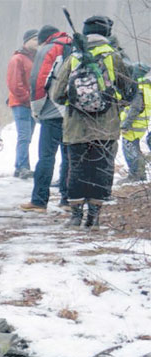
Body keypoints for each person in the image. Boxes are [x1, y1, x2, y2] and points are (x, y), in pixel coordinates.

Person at [50, 15, 132, 230]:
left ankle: (76, 216)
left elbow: (57, 95)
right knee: (101, 171)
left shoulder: (73, 58)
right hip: (106, 128)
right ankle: (94, 218)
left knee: (77, 171)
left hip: (76, 129)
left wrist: (75, 101)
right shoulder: (113, 57)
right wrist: (116, 103)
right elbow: (128, 90)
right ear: (106, 34)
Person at [21, 25, 73, 212]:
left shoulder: (49, 49)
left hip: (52, 112)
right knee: (69, 157)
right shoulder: (74, 46)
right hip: (73, 112)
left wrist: (36, 109)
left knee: (46, 157)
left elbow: (38, 80)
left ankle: (39, 200)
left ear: (44, 39)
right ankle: (68, 199)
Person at [7, 29, 38, 179]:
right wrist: (28, 99)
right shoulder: (18, 59)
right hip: (21, 103)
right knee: (24, 136)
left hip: (31, 103)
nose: (37, 42)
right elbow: (14, 84)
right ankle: (22, 166)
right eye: (34, 39)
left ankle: (20, 166)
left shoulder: (36, 58)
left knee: (27, 136)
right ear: (26, 41)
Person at [120, 62, 150, 182]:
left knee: (130, 150)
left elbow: (135, 108)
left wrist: (126, 124)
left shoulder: (138, 89)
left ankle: (135, 175)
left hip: (133, 126)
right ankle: (140, 174)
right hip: (140, 124)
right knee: (135, 149)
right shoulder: (147, 87)